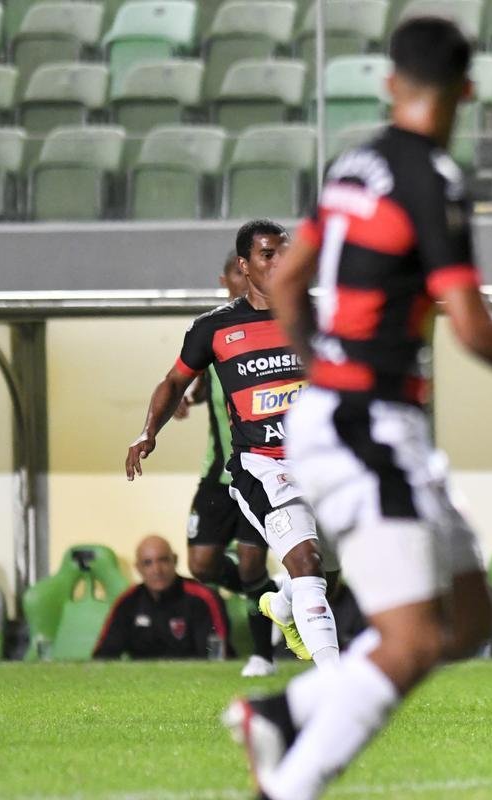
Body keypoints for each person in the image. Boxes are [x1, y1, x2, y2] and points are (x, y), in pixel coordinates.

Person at [222, 18, 492, 800]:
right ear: (469, 91)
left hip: (361, 421)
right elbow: (470, 325)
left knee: (469, 621)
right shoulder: (433, 180)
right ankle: (290, 781)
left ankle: (289, 710)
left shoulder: (351, 166)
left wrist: (322, 364)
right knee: (408, 639)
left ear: (390, 83)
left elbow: (292, 281)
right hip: (369, 424)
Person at [125, 220, 341, 671]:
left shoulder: (318, 318)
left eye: (286, 253)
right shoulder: (215, 329)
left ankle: (281, 605)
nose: (280, 263)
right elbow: (174, 381)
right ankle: (336, 681)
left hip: (322, 465)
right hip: (262, 466)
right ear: (244, 266)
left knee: (326, 575)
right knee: (304, 560)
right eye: (268, 254)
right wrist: (149, 431)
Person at [174, 251, 279, 677]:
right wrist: (187, 397)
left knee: (252, 563)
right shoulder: (215, 331)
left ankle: (263, 656)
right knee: (201, 565)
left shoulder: (275, 329)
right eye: (238, 272)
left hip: (260, 469)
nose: (246, 277)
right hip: (216, 474)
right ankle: (274, 595)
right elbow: (196, 382)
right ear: (226, 279)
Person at [93, 536, 230, 660]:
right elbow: (103, 657)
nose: (157, 570)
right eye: (148, 563)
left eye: (163, 560)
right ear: (138, 568)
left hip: (195, 682)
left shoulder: (202, 598)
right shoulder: (127, 602)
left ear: (175, 560)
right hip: (143, 683)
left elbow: (216, 657)